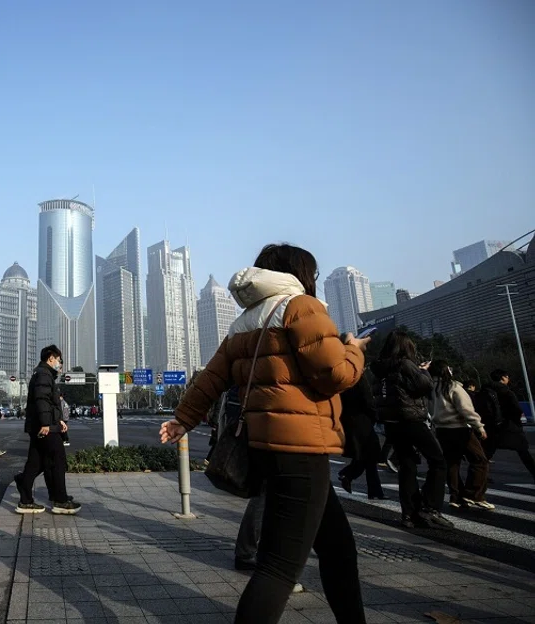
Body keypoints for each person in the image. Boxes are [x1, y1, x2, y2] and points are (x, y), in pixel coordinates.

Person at [161, 243, 368, 624]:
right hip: (301, 448)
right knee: (278, 568)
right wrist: (354, 351)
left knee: (338, 548)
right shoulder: (300, 306)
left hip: (266, 445)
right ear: (299, 273)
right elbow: (336, 375)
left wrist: (183, 419)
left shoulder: (245, 319)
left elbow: (212, 377)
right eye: (313, 274)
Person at [371, 330, 453, 530]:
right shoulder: (405, 364)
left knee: (407, 466)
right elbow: (423, 386)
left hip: (392, 422)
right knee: (439, 462)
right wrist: (423, 370)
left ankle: (408, 514)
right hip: (411, 419)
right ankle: (430, 507)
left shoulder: (379, 368)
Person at [15, 345, 79, 515]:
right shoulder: (44, 374)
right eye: (59, 360)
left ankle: (25, 494)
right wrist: (46, 424)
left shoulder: (43, 374)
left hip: (44, 424)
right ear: (51, 358)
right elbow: (42, 399)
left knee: (37, 462)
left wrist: (58, 420)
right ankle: (60, 500)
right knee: (58, 460)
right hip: (44, 427)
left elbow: (48, 403)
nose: (60, 364)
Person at [428, 361, 491, 510]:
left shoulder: (429, 389)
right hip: (460, 428)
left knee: (452, 463)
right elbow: (465, 409)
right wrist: (479, 426)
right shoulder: (453, 386)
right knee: (480, 460)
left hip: (441, 430)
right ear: (445, 371)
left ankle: (455, 496)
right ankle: (473, 494)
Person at [337, 370, 386, 500]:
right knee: (369, 455)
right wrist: (375, 415)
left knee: (366, 456)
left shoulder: (344, 378)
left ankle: (375, 491)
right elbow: (368, 400)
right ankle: (348, 474)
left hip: (348, 419)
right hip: (362, 420)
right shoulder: (360, 378)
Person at [484, 369, 535, 482]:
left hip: (491, 427)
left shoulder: (485, 391)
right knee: (524, 452)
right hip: (510, 426)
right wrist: (517, 421)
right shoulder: (507, 392)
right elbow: (516, 410)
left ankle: (480, 477)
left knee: (487, 453)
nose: (508, 379)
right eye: (507, 377)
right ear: (503, 378)